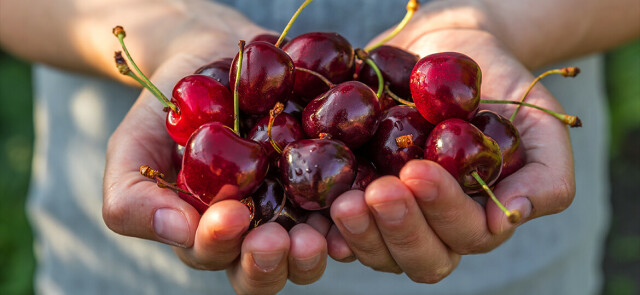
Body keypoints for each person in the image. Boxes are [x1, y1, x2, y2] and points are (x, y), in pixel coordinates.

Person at [1, 0, 638, 294]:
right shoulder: (235, 118)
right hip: (133, 274)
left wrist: (495, 22)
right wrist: (163, 28)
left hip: (499, 269)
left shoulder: (396, 122)